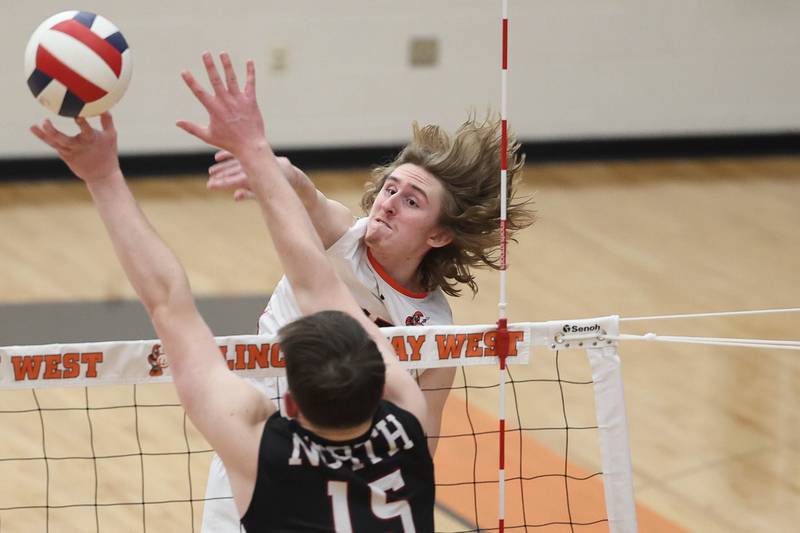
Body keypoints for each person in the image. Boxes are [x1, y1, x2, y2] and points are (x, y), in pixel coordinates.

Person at [31, 52, 435, 532]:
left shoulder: (259, 453)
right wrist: (255, 150)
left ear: (289, 404)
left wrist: (103, 176)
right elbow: (318, 285)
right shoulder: (409, 426)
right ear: (380, 381)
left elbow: (170, 304)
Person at [199, 96, 534, 533]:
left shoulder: (434, 331)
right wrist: (274, 170)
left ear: (438, 235)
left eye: (412, 202)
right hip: (257, 438)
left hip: (340, 471)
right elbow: (307, 195)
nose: (388, 203)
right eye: (390, 188)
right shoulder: (342, 237)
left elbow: (420, 444)